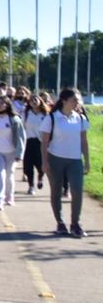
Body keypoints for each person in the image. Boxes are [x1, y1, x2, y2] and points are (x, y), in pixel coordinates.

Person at [40, 88, 92, 237]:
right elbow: (44, 142)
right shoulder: (52, 118)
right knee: (56, 191)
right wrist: (44, 162)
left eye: (78, 100)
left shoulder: (80, 118)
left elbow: (84, 141)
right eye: (74, 100)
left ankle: (75, 223)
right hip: (55, 158)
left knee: (77, 190)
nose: (77, 102)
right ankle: (60, 222)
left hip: (75, 160)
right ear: (64, 101)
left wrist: (87, 161)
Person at [0, 94, 25, 209]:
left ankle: (10, 196)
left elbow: (21, 137)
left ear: (7, 105)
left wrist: (19, 153)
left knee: (9, 175)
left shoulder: (15, 119)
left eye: (2, 103)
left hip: (11, 152)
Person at [22, 93, 48, 194]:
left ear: (40, 101)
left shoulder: (45, 115)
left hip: (41, 142)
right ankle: (31, 186)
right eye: (31, 100)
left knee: (40, 164)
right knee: (28, 165)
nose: (33, 102)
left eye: (35, 100)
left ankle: (40, 178)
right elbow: (22, 127)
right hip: (29, 141)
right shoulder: (26, 114)